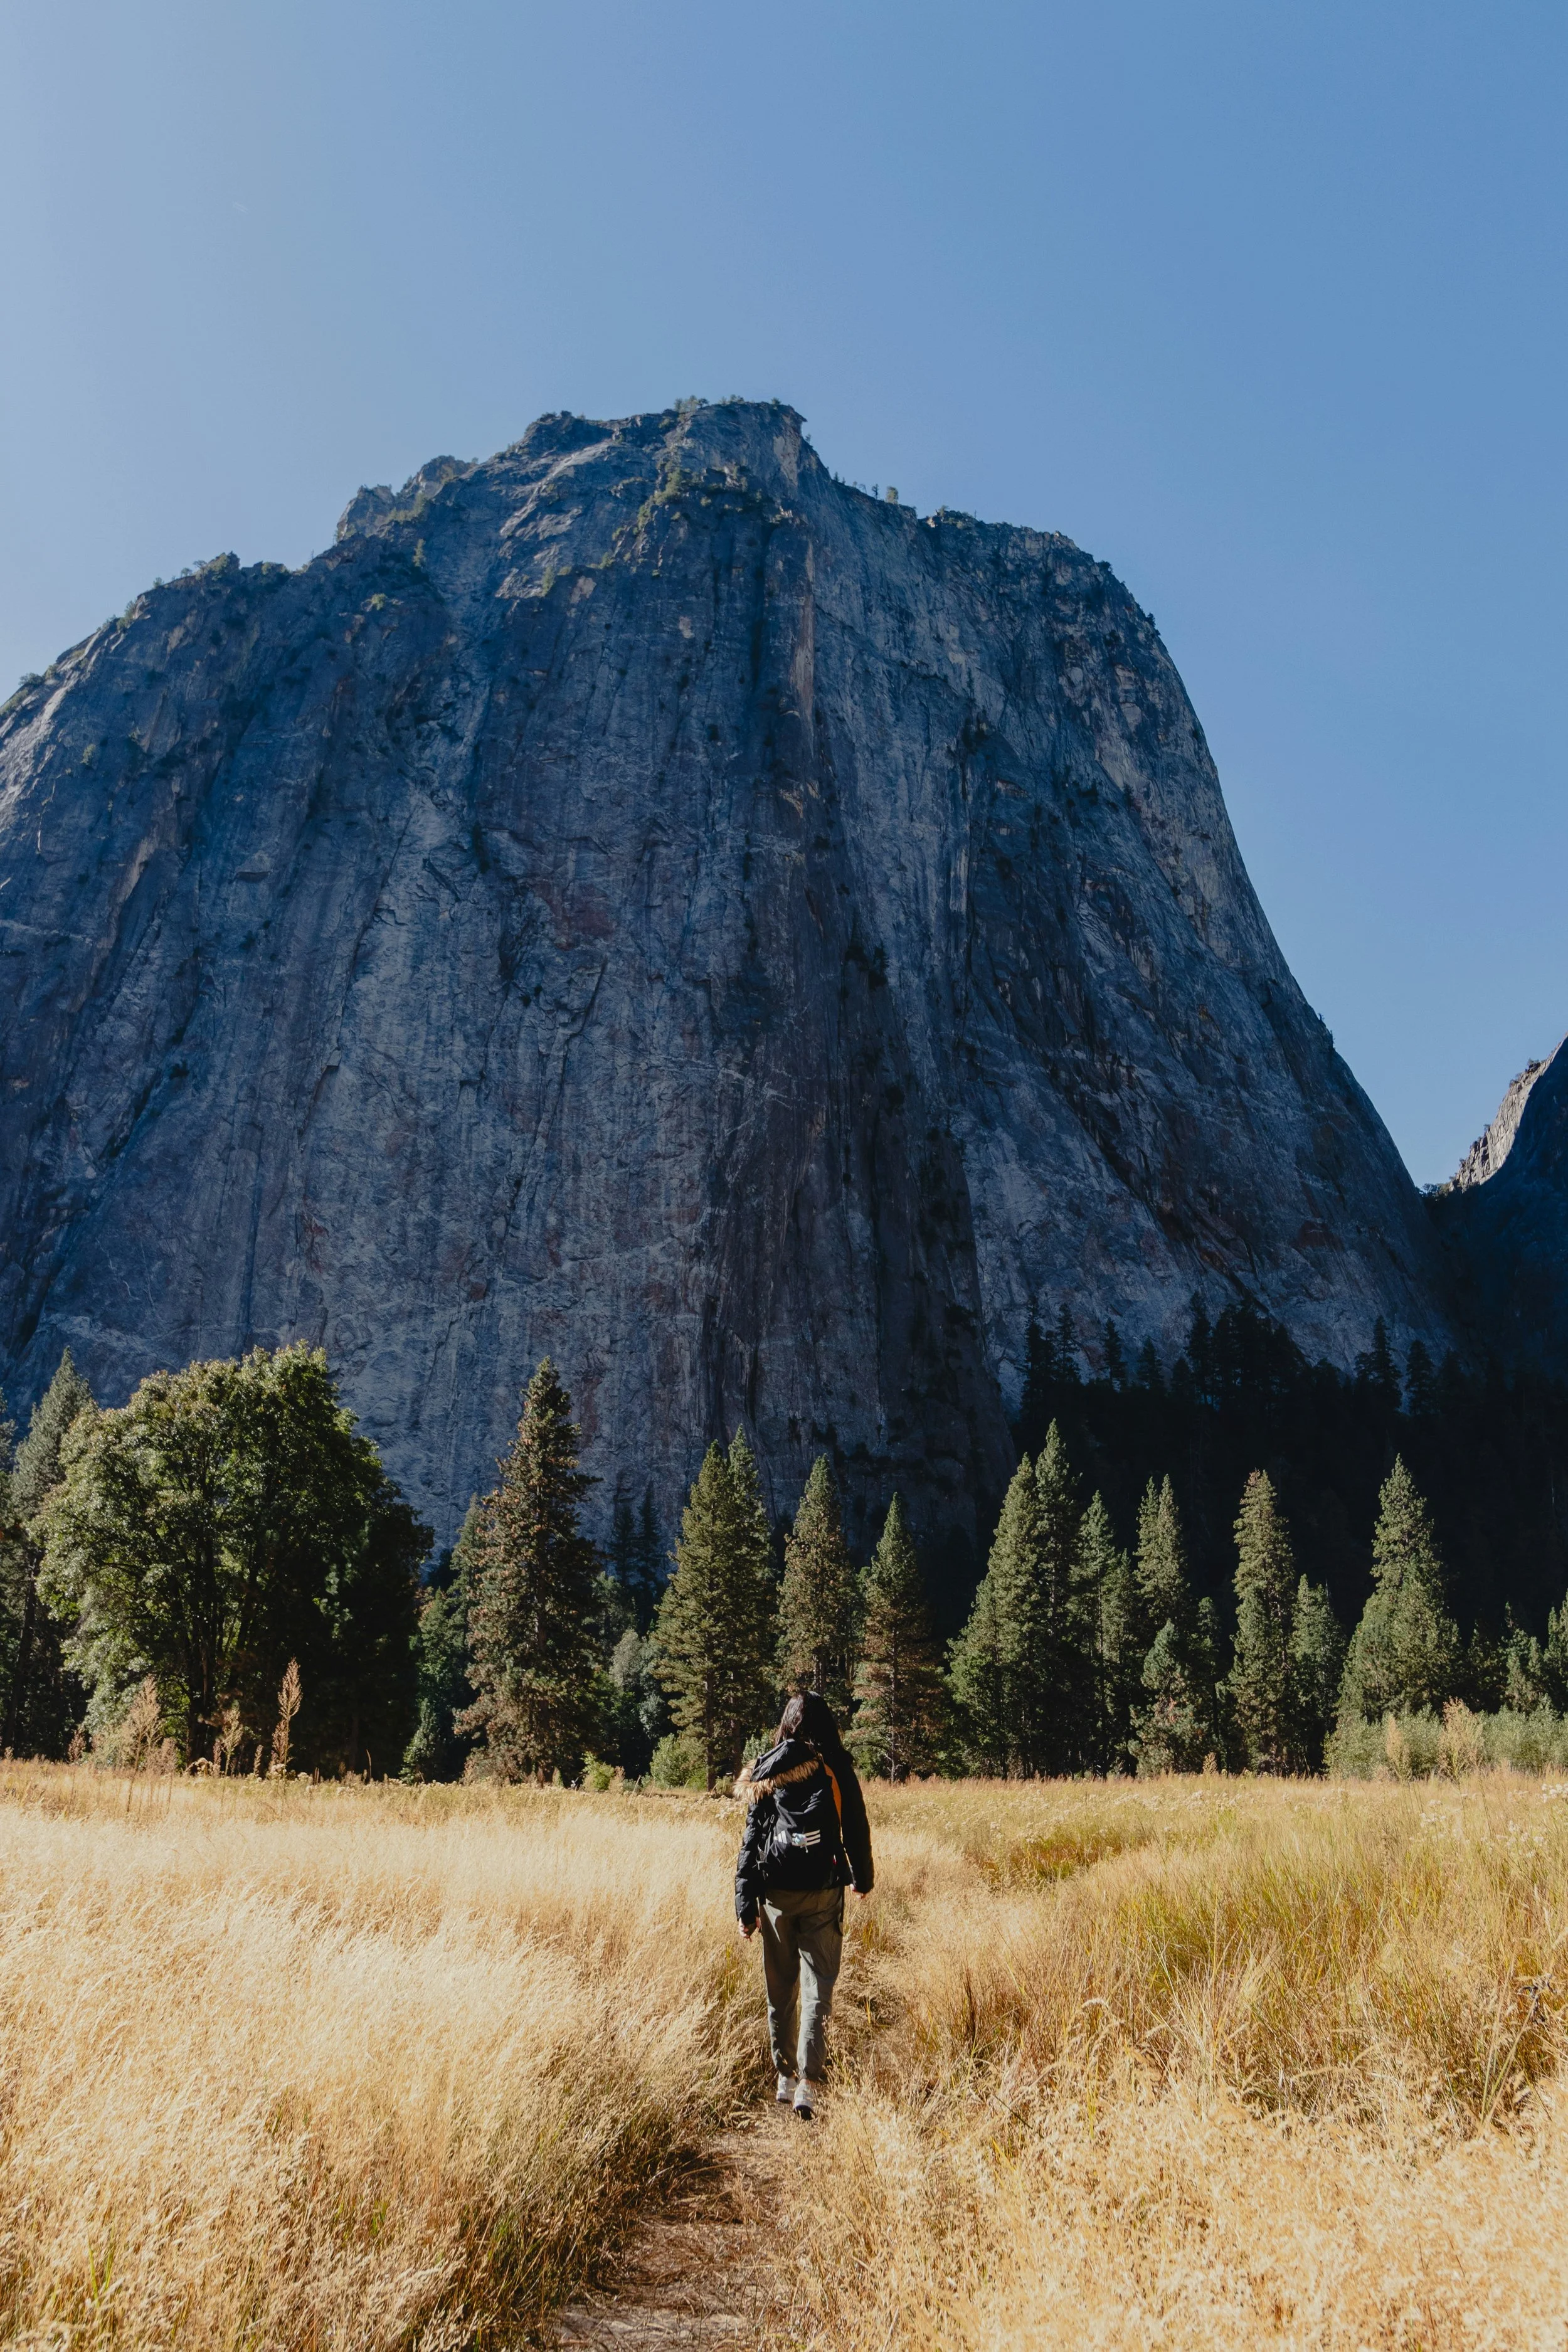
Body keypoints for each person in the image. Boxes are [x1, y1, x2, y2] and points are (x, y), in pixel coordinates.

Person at [734, 1690, 874, 2121]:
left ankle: (784, 2075)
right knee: (819, 1989)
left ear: (787, 1723)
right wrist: (863, 1878)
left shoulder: (767, 1767)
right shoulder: (835, 1766)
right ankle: (809, 2085)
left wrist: (745, 1903)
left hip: (774, 1894)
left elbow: (752, 1838)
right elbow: (856, 1824)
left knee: (781, 1989)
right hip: (822, 1890)